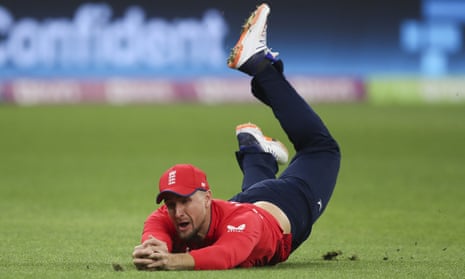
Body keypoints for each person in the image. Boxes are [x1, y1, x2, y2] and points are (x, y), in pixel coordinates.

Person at [132, 3, 340, 270]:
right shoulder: (173, 216)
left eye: (185, 201)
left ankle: (261, 68)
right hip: (246, 202)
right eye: (172, 203)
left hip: (284, 202)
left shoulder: (246, 226)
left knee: (321, 149)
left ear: (207, 198)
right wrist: (153, 245)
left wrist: (170, 260)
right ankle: (256, 153)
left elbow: (227, 255)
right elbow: (155, 227)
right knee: (249, 196)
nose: (177, 211)